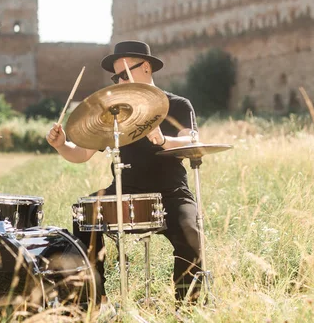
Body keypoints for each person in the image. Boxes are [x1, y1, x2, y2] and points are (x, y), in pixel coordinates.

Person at [46, 40, 202, 311]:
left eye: (124, 72)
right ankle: (95, 302)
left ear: (146, 67)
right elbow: (81, 155)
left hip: (172, 192)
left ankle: (188, 309)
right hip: (126, 190)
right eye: (115, 76)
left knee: (191, 235)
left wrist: (163, 139)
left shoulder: (177, 105)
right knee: (84, 215)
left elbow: (191, 143)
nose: (118, 80)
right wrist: (61, 145)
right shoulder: (114, 113)